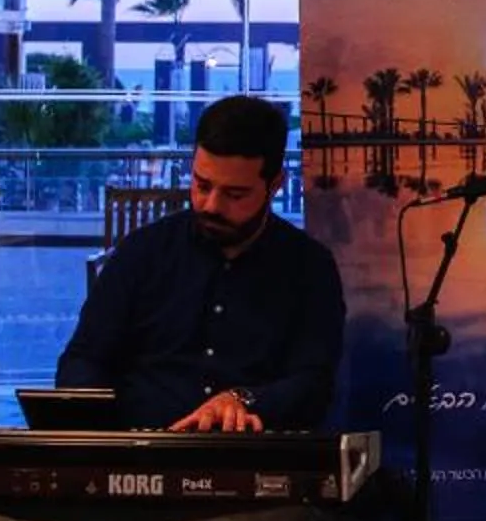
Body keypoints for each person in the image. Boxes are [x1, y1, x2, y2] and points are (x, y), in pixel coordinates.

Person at [57, 94, 345, 432]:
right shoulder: (143, 252)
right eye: (202, 184)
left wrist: (244, 399)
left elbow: (313, 382)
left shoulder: (308, 268)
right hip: (141, 451)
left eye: (234, 195)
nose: (211, 205)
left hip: (249, 452)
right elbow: (84, 358)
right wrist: (95, 426)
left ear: (275, 185)